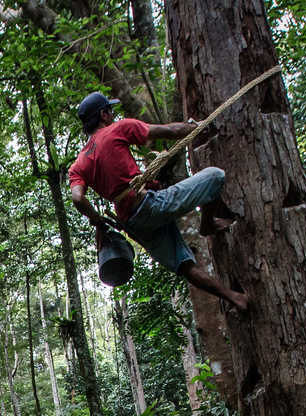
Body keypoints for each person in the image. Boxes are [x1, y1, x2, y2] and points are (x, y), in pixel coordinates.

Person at [66, 92, 249, 312]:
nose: (113, 115)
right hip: (151, 205)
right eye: (110, 111)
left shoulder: (78, 164)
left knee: (183, 264)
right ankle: (208, 224)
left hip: (133, 223)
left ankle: (235, 298)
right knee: (215, 176)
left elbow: (77, 197)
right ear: (103, 114)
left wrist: (97, 220)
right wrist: (198, 127)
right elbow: (170, 131)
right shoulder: (117, 129)